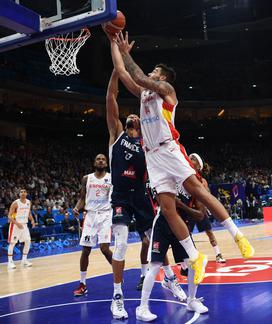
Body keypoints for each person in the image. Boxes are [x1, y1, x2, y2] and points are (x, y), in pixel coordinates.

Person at [111, 31, 254, 284]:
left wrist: (126, 52)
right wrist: (113, 43)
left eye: (155, 70)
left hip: (169, 148)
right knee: (166, 210)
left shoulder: (167, 90)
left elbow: (138, 76)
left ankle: (237, 236)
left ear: (162, 77)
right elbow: (124, 74)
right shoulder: (144, 95)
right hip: (152, 156)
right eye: (153, 70)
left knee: (198, 191)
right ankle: (194, 256)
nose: (152, 72)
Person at [105, 60, 184, 319]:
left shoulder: (147, 142)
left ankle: (169, 278)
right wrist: (117, 71)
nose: (131, 116)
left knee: (156, 240)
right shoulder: (117, 132)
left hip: (141, 196)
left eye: (134, 116)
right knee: (120, 244)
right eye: (128, 116)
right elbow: (112, 96)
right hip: (120, 197)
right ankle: (117, 297)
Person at [136, 205, 208, 321]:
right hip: (163, 223)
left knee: (193, 261)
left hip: (180, 223)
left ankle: (192, 300)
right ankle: (142, 308)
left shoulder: (194, 188)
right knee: (155, 265)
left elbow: (200, 212)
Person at [73, 154, 113, 297]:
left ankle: (117, 274)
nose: (100, 161)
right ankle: (82, 283)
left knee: (104, 249)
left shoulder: (111, 178)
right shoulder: (87, 178)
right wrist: (77, 208)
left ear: (106, 164)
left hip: (105, 215)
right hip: (90, 216)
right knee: (86, 249)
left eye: (103, 159)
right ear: (94, 162)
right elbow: (82, 198)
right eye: (98, 159)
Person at [189, 153, 226, 263]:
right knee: (186, 236)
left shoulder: (202, 181)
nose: (190, 159)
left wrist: (210, 209)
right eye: (190, 158)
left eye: (193, 159)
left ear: (199, 166)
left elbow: (208, 196)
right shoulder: (184, 177)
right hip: (190, 210)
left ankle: (218, 254)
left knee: (210, 233)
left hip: (200, 211)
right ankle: (192, 257)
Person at [7, 188, 35, 269]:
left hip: (24, 225)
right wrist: (17, 223)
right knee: (12, 243)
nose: (23, 193)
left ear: (26, 194)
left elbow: (28, 213)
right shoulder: (15, 203)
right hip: (15, 225)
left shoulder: (28, 202)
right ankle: (10, 262)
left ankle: (24, 260)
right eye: (21, 192)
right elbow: (9, 216)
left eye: (24, 192)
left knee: (28, 241)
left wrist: (32, 220)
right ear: (19, 194)